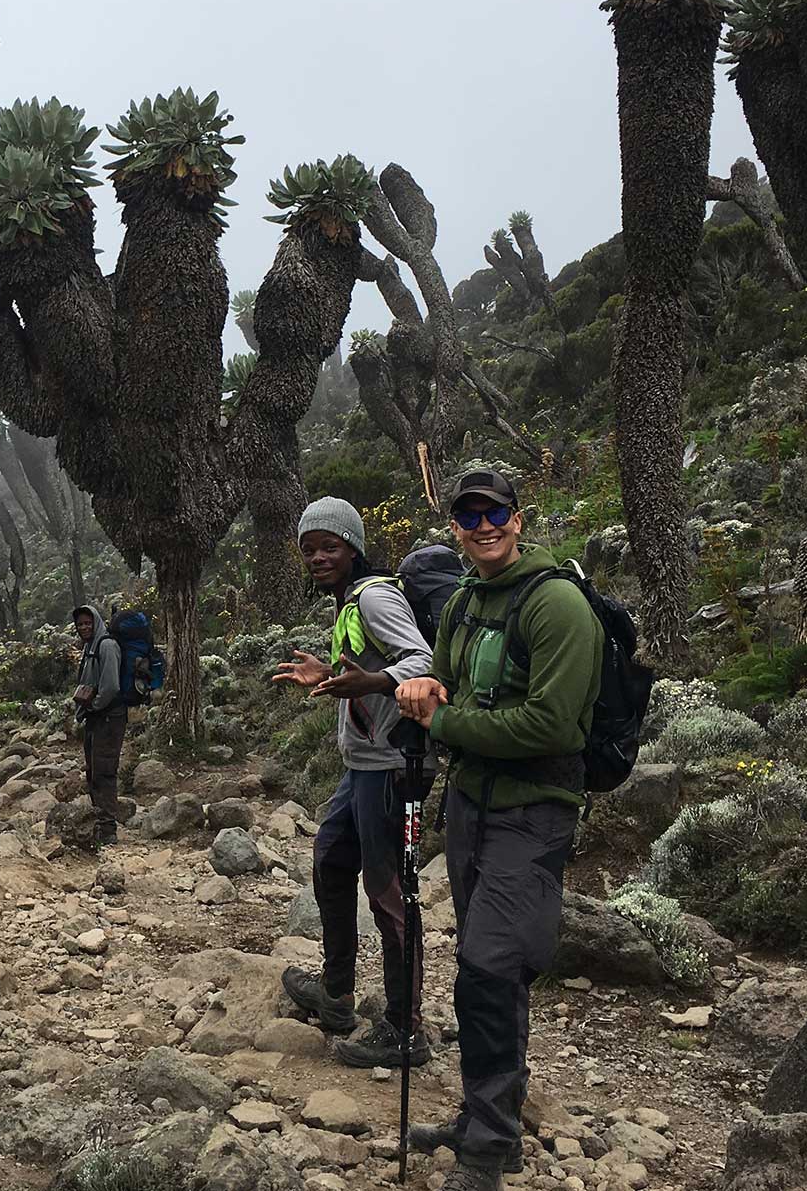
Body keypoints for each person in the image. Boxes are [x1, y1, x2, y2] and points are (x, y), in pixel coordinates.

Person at [394, 468, 603, 1191]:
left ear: (519, 518)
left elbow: (553, 723)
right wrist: (426, 688)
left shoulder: (557, 604)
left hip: (536, 810)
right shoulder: (463, 605)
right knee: (486, 973)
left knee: (489, 965)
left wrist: (443, 720)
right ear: (455, 526)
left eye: (495, 513)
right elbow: (445, 685)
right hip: (473, 807)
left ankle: (487, 1147)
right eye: (468, 515)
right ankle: (486, 1118)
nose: (482, 525)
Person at [270, 497, 436, 1068]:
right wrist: (331, 675)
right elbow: (361, 674)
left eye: (329, 547)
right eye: (309, 549)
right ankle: (337, 994)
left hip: (392, 766)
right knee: (331, 860)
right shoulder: (347, 603)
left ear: (354, 547)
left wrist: (377, 681)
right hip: (361, 764)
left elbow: (423, 660)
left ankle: (404, 1027)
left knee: (389, 893)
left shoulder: (375, 597)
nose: (318, 557)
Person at [72, 605, 125, 847]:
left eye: (87, 623)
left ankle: (108, 829)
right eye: (80, 624)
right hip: (95, 717)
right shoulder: (89, 648)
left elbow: (111, 686)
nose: (84, 627)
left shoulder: (106, 646)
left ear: (96, 622)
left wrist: (95, 704)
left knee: (104, 771)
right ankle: (98, 822)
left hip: (109, 717)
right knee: (93, 770)